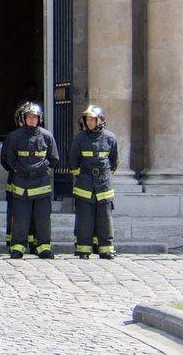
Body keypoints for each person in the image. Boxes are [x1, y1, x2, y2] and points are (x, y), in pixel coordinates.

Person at [3, 101, 59, 259]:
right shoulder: (15, 136)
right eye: (29, 117)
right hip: (22, 183)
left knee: (42, 218)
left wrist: (42, 170)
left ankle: (43, 247)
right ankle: (18, 247)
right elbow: (9, 158)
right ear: (24, 118)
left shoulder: (47, 136)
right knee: (20, 217)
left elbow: (54, 158)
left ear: (39, 119)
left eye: (35, 117)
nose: (32, 120)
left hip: (41, 183)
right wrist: (21, 170)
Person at [69, 105, 119, 260]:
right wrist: (83, 176)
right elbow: (73, 160)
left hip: (103, 185)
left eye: (92, 119)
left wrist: (104, 176)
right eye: (87, 120)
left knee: (105, 218)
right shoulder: (80, 138)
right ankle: (83, 250)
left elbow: (114, 161)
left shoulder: (110, 138)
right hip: (85, 184)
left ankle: (106, 249)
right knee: (85, 219)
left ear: (100, 121)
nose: (89, 122)